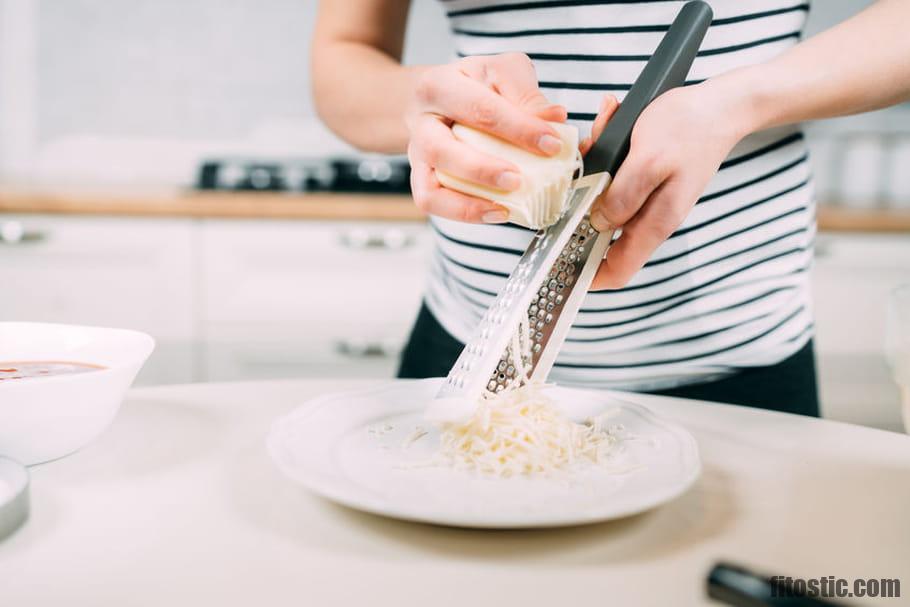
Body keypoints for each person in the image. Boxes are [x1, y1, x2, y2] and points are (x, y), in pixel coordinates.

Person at [311, 1, 910, 416]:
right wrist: (423, 101)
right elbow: (343, 58)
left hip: (743, 351)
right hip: (472, 341)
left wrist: (739, 100)